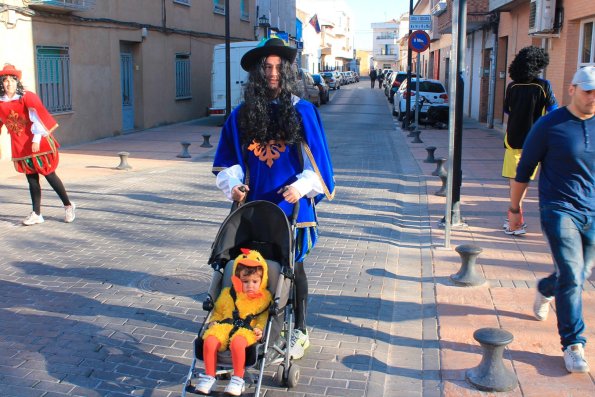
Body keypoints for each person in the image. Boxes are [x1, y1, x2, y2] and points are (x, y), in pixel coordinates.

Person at [212, 38, 335, 361]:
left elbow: (320, 163)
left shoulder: (303, 110)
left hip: (290, 206)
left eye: (279, 67)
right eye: (266, 67)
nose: (273, 73)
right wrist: (234, 185)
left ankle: (300, 330)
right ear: (256, 72)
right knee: (246, 268)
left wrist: (303, 185)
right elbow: (227, 159)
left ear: (288, 71)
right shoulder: (241, 114)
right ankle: (247, 324)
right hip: (250, 208)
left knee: (295, 269)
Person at [508, 66, 594, 373]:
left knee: (579, 273)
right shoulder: (550, 125)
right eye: (588, 91)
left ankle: (546, 287)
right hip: (558, 208)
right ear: (572, 89)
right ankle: (574, 344)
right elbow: (524, 169)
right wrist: (515, 209)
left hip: (592, 211)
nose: (593, 98)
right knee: (572, 273)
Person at [0, 64, 75, 225]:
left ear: (17, 81)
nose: (8, 84)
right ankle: (37, 213)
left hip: (37, 141)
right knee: (32, 179)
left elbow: (38, 117)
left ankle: (68, 205)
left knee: (49, 174)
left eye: (12, 80)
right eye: (5, 80)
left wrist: (36, 140)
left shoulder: (27, 96)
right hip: (20, 145)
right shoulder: (1, 102)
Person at [196, 249, 273, 395]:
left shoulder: (263, 298)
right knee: (210, 340)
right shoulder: (228, 293)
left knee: (238, 343)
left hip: (247, 330)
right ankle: (209, 376)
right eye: (245, 281)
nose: (250, 285)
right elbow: (218, 311)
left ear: (262, 280)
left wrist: (259, 329)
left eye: (255, 281)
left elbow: (263, 316)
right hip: (224, 326)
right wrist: (214, 321)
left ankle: (238, 379)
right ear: (237, 279)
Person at [502, 46, 557, 235]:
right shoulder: (543, 86)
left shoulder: (512, 87)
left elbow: (507, 110)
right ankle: (516, 220)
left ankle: (514, 220)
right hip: (536, 140)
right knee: (526, 181)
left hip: (513, 139)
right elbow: (553, 111)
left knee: (515, 181)